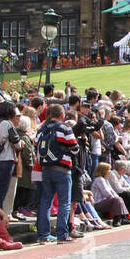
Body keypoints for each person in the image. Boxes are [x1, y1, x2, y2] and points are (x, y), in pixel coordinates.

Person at [35, 103, 78, 243]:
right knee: (64, 202)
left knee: (45, 201)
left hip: (46, 169)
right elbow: (75, 148)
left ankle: (43, 235)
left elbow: (36, 146)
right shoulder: (64, 128)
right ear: (62, 115)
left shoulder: (42, 129)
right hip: (62, 169)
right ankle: (62, 234)